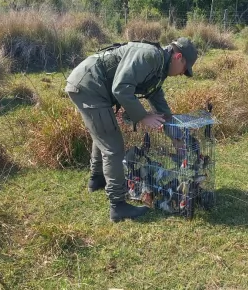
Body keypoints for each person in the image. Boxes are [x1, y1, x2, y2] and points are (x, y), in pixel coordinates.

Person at [64, 37, 198, 223]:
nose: (182, 74)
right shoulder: (150, 56)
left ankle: (97, 180)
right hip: (89, 85)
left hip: (93, 85)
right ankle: (118, 206)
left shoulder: (159, 68)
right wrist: (143, 117)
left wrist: (175, 137)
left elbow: (159, 105)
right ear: (178, 56)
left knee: (103, 132)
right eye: (185, 69)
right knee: (114, 146)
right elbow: (121, 88)